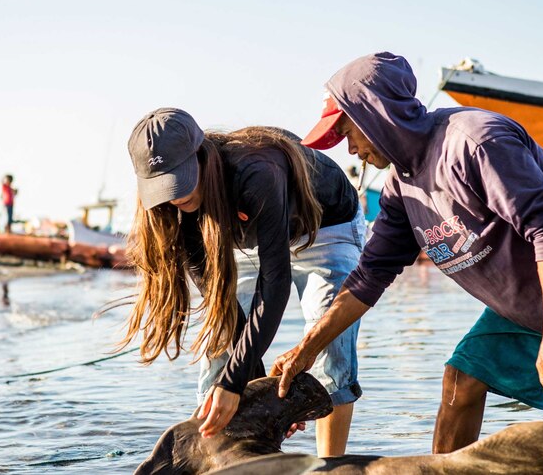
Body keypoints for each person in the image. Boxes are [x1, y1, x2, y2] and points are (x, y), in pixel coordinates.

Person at [271, 52, 543, 456]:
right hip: (526, 306)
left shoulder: (475, 141)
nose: (350, 150)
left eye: (348, 132)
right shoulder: (401, 188)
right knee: (462, 379)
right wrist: (307, 348)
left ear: (376, 115)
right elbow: (368, 277)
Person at [117, 108, 365, 456]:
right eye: (164, 186)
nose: (175, 196)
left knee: (329, 341)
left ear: (201, 155)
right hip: (252, 240)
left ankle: (330, 465)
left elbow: (274, 281)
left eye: (181, 179)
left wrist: (237, 385)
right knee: (220, 347)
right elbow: (227, 311)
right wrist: (262, 396)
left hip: (326, 227)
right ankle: (221, 461)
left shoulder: (255, 169)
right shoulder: (173, 211)